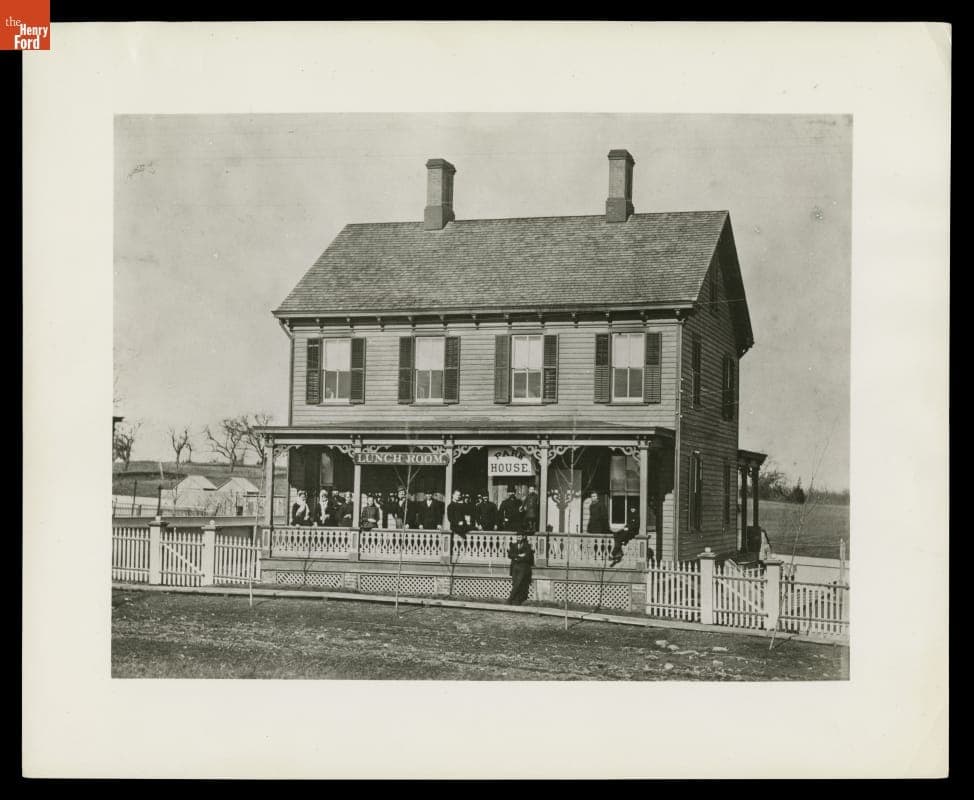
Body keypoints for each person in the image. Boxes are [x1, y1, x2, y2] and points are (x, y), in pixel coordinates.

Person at [507, 529, 535, 605]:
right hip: (514, 567)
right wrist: (519, 556)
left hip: (523, 567)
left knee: (518, 583)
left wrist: (516, 557)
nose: (518, 538)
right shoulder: (513, 545)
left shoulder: (528, 546)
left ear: (523, 537)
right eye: (518, 537)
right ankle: (516, 601)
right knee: (515, 583)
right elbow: (510, 555)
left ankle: (510, 599)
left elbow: (528, 557)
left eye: (520, 536)